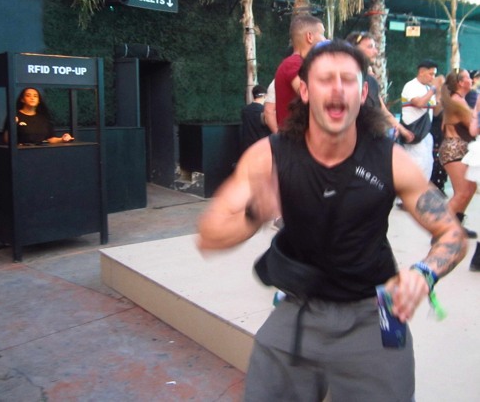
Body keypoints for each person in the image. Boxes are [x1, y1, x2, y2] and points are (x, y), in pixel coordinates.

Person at [197, 40, 466, 401]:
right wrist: (254, 214)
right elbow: (208, 235)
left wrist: (424, 273)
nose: (338, 88)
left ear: (363, 93)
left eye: (348, 80)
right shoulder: (269, 157)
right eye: (325, 79)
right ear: (306, 91)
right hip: (299, 307)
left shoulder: (390, 160)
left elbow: (452, 233)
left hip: (375, 310)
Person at [345, 31, 414, 143]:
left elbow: (381, 109)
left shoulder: (371, 80)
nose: (376, 52)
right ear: (354, 48)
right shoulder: (347, 78)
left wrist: (402, 130)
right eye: (370, 47)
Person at [438, 69, 480, 239]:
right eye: (468, 78)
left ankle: (455, 225)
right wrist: (477, 110)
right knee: (462, 192)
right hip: (454, 150)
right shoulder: (457, 102)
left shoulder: (456, 100)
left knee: (469, 188)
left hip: (458, 149)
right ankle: (440, 230)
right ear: (460, 83)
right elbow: (474, 126)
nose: (472, 80)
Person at [274, 15, 325, 128]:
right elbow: (312, 97)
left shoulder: (296, 63)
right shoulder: (293, 64)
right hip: (295, 135)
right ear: (309, 37)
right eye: (322, 34)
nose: (325, 39)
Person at [400, 60, 444, 181]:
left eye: (434, 74)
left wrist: (440, 93)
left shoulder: (428, 89)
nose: (432, 77)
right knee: (416, 165)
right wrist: (433, 90)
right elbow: (419, 103)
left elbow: (435, 111)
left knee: (427, 165)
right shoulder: (411, 86)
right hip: (414, 132)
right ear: (421, 72)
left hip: (425, 133)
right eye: (431, 74)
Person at [3, 87, 74, 145]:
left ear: (39, 100)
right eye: (28, 95)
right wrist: (12, 125)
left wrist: (62, 139)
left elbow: (50, 138)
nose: (32, 98)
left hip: (40, 152)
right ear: (22, 99)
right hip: (21, 153)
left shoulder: (43, 118)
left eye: (35, 96)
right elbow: (7, 140)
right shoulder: (14, 115)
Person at [241, 84, 270, 152]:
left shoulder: (244, 110)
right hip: (261, 148)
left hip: (247, 148)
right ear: (265, 96)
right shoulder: (265, 111)